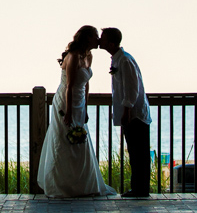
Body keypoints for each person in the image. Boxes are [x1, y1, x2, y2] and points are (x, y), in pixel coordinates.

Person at [37, 25, 116, 197]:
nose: (98, 39)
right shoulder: (72, 57)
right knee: (64, 141)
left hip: (79, 103)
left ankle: (80, 185)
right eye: (96, 36)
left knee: (80, 143)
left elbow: (86, 84)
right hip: (66, 102)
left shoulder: (89, 56)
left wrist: (84, 107)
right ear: (87, 38)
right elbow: (70, 86)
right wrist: (69, 112)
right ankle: (62, 185)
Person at [99, 27, 152, 197]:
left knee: (138, 152)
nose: (100, 41)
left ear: (112, 43)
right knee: (134, 151)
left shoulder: (125, 61)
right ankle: (138, 188)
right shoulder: (119, 59)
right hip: (131, 113)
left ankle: (141, 189)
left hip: (135, 114)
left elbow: (131, 88)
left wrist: (127, 111)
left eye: (103, 38)